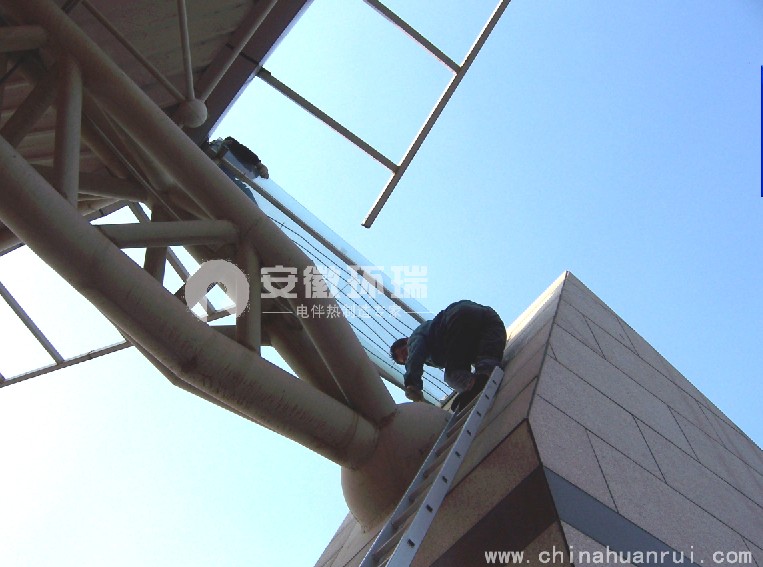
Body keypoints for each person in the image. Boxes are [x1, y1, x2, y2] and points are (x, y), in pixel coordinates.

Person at [390, 300, 507, 410]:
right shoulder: (433, 347)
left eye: (405, 353)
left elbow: (415, 353)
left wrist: (411, 383)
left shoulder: (414, 338)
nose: (408, 358)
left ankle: (473, 385)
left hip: (457, 319)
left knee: (452, 374)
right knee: (487, 362)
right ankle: (483, 377)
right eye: (405, 359)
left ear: (406, 341)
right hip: (488, 320)